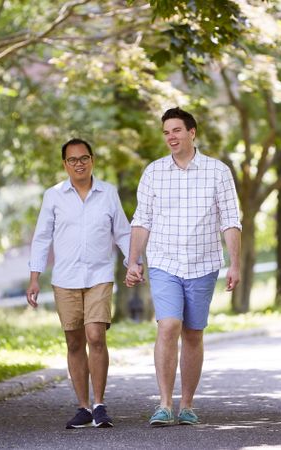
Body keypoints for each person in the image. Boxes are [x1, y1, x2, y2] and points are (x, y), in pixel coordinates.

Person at [125, 107, 241, 426]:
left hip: (203, 263)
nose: (170, 137)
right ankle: (164, 404)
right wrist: (133, 260)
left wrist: (235, 264)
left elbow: (230, 220)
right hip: (164, 261)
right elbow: (142, 219)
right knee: (168, 326)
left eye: (176, 130)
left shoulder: (218, 172)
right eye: (166, 132)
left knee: (193, 333)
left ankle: (187, 404)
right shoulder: (154, 172)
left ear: (192, 133)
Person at [27, 138, 131, 429]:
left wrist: (132, 261)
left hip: (99, 275)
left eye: (84, 158)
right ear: (65, 164)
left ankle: (99, 405)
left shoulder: (108, 193)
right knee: (74, 341)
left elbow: (122, 232)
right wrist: (34, 277)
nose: (79, 164)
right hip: (65, 278)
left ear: (92, 160)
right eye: (72, 160)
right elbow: (41, 238)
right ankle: (83, 407)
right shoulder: (54, 196)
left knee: (95, 335)